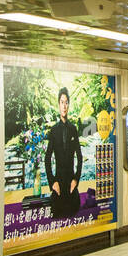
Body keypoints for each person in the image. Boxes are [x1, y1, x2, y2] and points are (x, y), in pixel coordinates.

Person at [45, 86, 83, 217]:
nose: (64, 106)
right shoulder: (54, 130)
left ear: (69, 105)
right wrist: (52, 182)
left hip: (71, 184)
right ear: (58, 104)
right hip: (58, 184)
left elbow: (80, 156)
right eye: (62, 102)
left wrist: (76, 179)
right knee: (56, 214)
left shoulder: (73, 129)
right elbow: (47, 158)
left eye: (66, 102)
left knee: (75, 213)